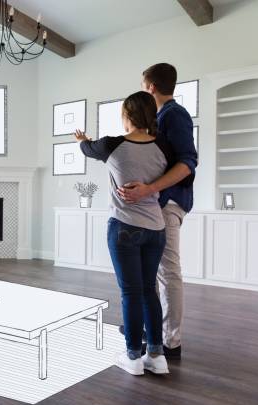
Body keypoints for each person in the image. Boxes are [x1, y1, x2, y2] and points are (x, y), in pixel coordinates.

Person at [76, 91, 172, 376]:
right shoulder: (165, 147)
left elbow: (86, 148)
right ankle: (156, 355)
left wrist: (82, 140)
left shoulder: (111, 145)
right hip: (156, 228)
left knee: (130, 293)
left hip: (125, 227)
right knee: (149, 292)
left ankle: (132, 357)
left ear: (127, 115)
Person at [118, 63, 198, 360]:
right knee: (149, 275)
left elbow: (188, 162)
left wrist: (150, 190)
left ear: (150, 87)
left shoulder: (173, 115)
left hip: (166, 204)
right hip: (155, 206)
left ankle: (170, 342)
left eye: (143, 85)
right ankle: (145, 332)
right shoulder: (159, 118)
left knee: (167, 273)